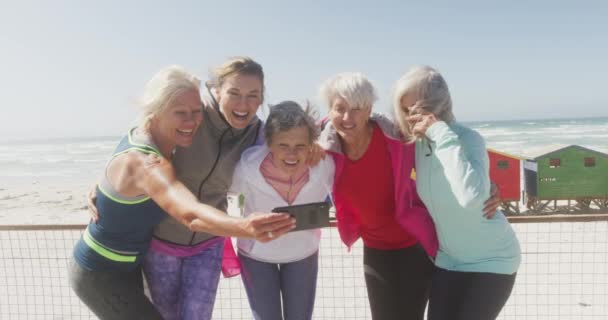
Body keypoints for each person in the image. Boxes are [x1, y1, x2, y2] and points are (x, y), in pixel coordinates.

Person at [70, 65, 295, 320]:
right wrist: (245, 227)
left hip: (128, 266)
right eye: (180, 113)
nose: (192, 122)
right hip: (99, 272)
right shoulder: (149, 163)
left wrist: (101, 183)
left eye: (196, 112)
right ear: (157, 111)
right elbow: (190, 214)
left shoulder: (144, 133)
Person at [317, 72, 502, 320]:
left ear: (369, 109)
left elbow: (446, 159)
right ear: (330, 110)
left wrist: (488, 185)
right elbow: (289, 142)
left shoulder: (396, 136)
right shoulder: (323, 148)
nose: (347, 117)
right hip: (374, 247)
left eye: (357, 108)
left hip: (414, 243)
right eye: (339, 109)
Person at [392, 65, 521, 320]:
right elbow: (362, 122)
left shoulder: (467, 139)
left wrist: (441, 133)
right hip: (449, 260)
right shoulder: (417, 146)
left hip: (492, 260)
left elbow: (471, 197)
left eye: (417, 111)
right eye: (405, 111)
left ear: (437, 106)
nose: (410, 119)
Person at [231, 101, 334, 320]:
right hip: (256, 255)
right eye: (283, 145)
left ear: (310, 144)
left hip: (303, 253)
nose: (292, 154)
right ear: (268, 143)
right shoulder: (246, 168)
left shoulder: (324, 165)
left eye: (300, 146)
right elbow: (227, 201)